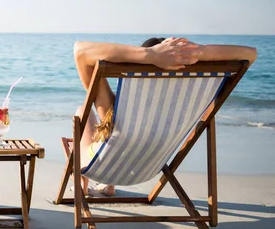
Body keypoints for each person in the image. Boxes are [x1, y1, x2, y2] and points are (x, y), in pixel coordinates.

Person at [72, 37, 257, 196]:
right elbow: (251, 54)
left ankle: (83, 184)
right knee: (123, 138)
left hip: (99, 167)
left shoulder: (117, 108)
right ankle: (109, 185)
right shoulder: (185, 107)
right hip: (146, 170)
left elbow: (80, 50)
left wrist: (151, 55)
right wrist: (196, 52)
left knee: (82, 112)